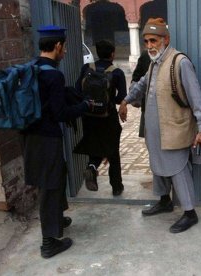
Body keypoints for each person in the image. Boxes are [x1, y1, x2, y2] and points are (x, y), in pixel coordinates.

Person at [118, 18, 201, 233]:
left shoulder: (180, 62)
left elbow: (197, 99)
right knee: (158, 167)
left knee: (178, 170)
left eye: (154, 40)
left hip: (175, 130)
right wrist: (125, 100)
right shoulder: (154, 63)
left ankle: (190, 213)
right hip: (156, 131)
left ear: (165, 39)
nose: (149, 45)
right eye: (146, 41)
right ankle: (164, 201)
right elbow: (141, 85)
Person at [23, 25, 92, 258]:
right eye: (64, 48)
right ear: (58, 46)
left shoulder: (33, 67)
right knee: (50, 187)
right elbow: (60, 113)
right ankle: (48, 242)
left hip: (31, 137)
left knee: (56, 176)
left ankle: (58, 219)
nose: (64, 52)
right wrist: (83, 106)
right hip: (47, 139)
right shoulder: (53, 74)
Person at [74, 40, 127, 196]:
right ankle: (117, 187)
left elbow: (78, 90)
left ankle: (92, 167)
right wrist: (110, 100)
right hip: (108, 117)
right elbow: (122, 96)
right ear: (112, 54)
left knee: (94, 146)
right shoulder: (117, 72)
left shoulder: (87, 68)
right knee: (113, 151)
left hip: (89, 115)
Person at [131, 50, 151, 138]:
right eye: (147, 41)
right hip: (148, 105)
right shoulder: (146, 55)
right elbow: (137, 79)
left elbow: (136, 77)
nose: (150, 45)